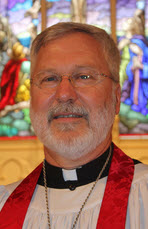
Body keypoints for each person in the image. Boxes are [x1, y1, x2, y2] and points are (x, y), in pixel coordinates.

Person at [0, 22, 148, 229]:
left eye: (84, 76)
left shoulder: (143, 196)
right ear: (32, 98)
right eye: (49, 78)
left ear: (116, 98)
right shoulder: (4, 206)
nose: (64, 94)